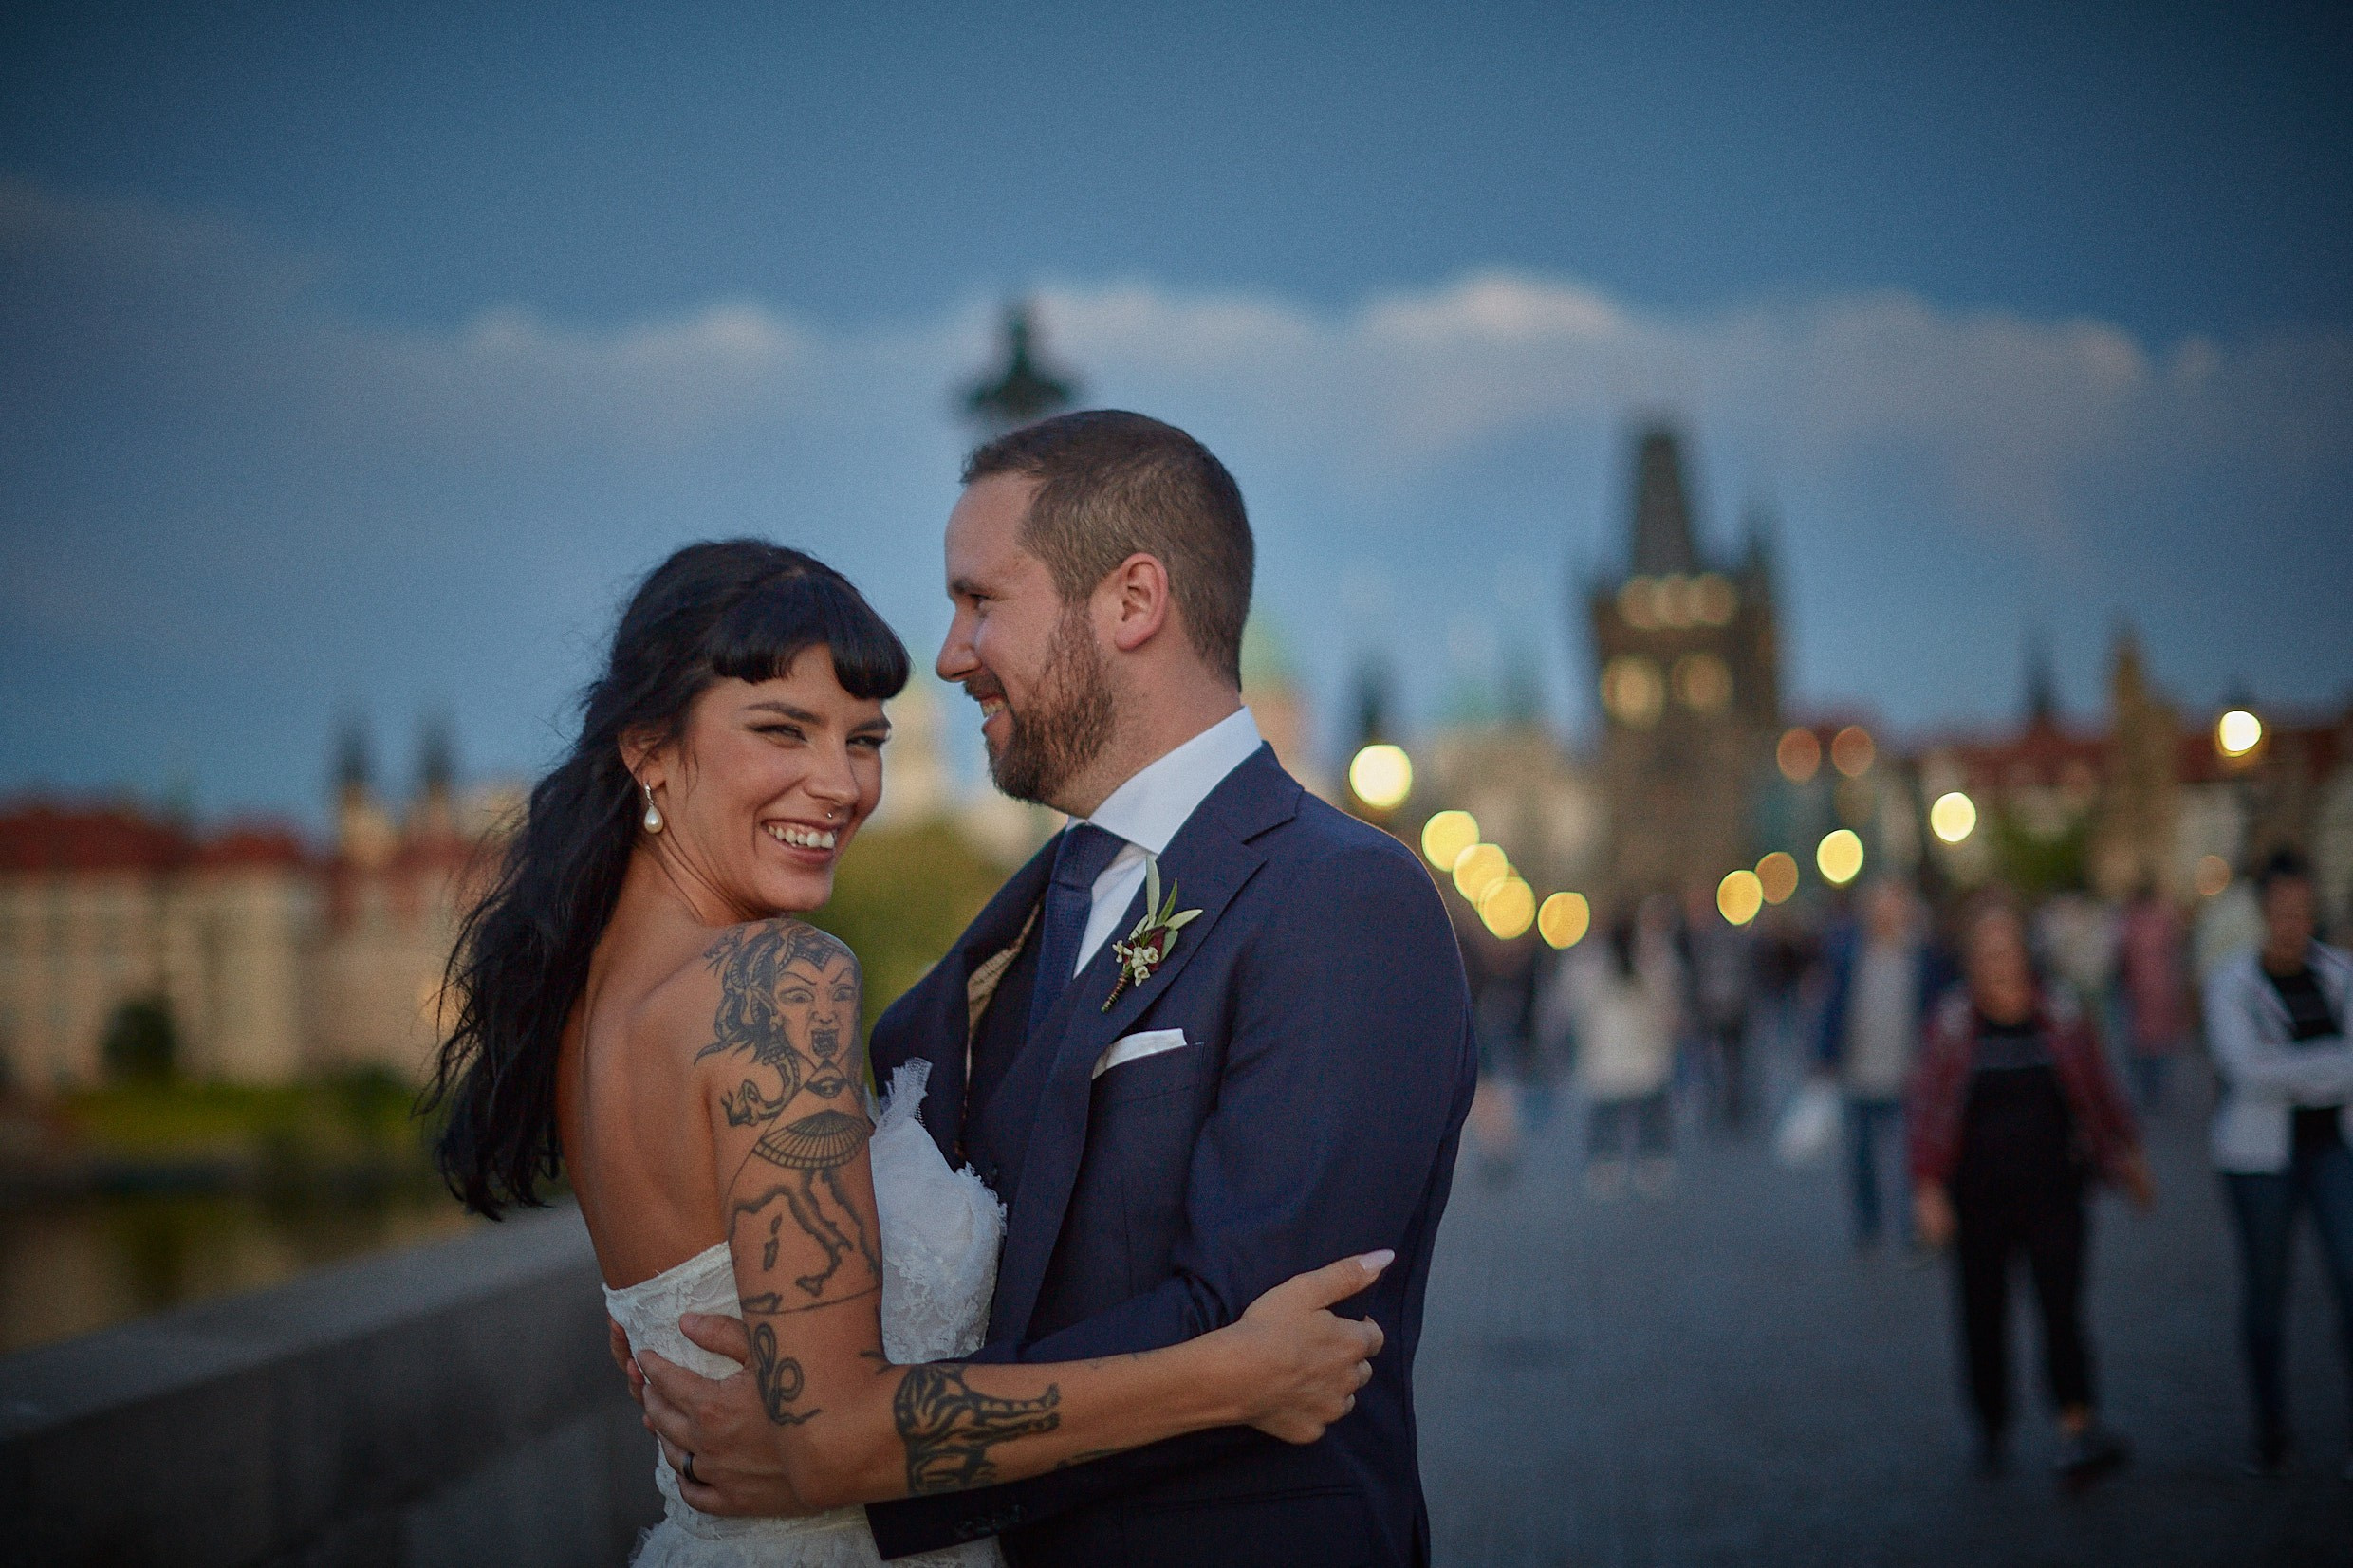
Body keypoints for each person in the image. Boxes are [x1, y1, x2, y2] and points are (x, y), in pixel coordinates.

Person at [425, 539, 1393, 1568]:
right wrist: (1231, 1377)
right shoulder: (776, 983)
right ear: (649, 749)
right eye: (781, 731)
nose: (838, 785)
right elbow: (837, 1442)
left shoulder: (594, 996)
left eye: (865, 740)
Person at [631, 414, 1478, 1567]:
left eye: (981, 601)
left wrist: (845, 1464)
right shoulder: (1022, 914)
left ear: (1132, 602)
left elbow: (1260, 1334)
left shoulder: (1341, 901)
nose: (948, 651)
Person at [1909, 896, 2153, 1485]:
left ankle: (2077, 1424)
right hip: (1979, 1199)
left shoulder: (2063, 1014)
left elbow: (2099, 1088)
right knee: (1982, 1316)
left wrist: (2128, 1155)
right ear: (1971, 960)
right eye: (1986, 952)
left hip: (2054, 1193)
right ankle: (1991, 1424)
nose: (1998, 962)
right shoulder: (1951, 1023)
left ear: (2025, 955)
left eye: (2007, 950)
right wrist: (1928, 1189)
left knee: (2062, 1310)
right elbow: (1928, 1111)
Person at [2204, 848, 2353, 1477]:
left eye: (2302, 910)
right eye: (2280, 910)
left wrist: (2292, 1068)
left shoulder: (2340, 973)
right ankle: (2272, 1425)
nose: (2292, 922)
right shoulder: (2231, 982)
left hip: (2333, 1150)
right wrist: (2328, 1066)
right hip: (2257, 1160)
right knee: (2267, 1294)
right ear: (2262, 912)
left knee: (2350, 1281)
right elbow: (2244, 1070)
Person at [1814, 880, 1941, 1251]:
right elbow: (1833, 1006)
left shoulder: (1921, 956)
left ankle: (1911, 1226)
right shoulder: (1848, 954)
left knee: (1909, 1160)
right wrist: (1825, 1055)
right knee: (1860, 1161)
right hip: (1858, 1072)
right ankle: (1868, 1227)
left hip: (1908, 1075)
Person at [1561, 904, 1680, 1200]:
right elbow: (1668, 1000)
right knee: (1647, 1108)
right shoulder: (1653, 958)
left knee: (1608, 1111)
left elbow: (1573, 1001)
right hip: (1638, 1048)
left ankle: (1607, 1163)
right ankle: (1649, 1160)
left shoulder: (1590, 960)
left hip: (1609, 1050)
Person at [2115, 881, 2193, 1113]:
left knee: (2140, 1043)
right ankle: (2155, 1090)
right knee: (2158, 1043)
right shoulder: (2163, 920)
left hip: (2138, 991)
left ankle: (2146, 1090)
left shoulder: (2129, 922)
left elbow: (2119, 958)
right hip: (2160, 989)